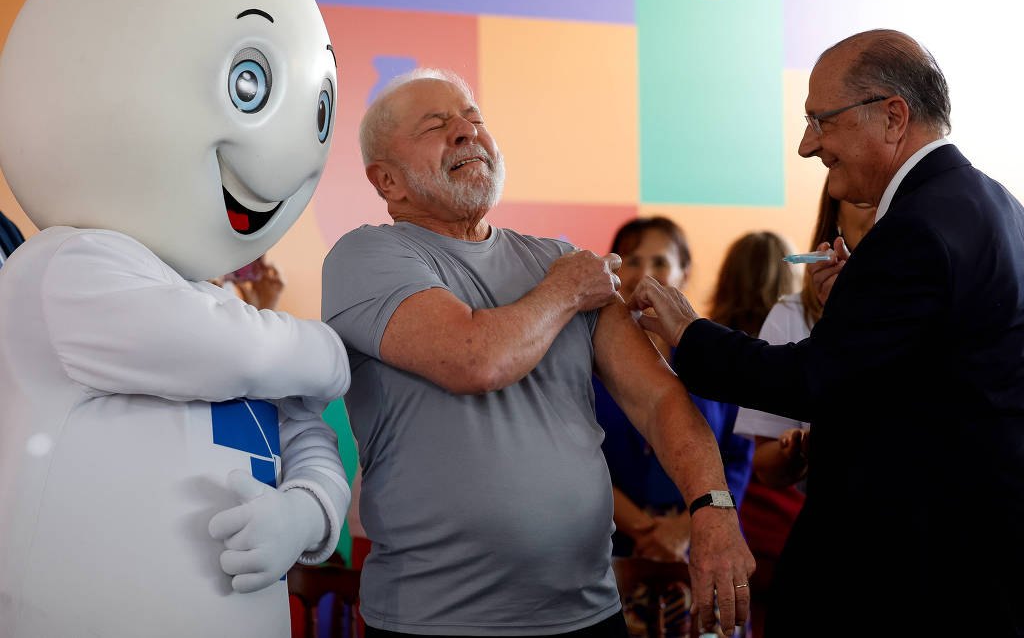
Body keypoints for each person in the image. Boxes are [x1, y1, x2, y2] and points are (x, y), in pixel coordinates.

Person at [322, 68, 755, 637]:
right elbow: (475, 359)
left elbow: (659, 401)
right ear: (387, 181)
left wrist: (713, 508)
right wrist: (565, 291)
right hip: (435, 621)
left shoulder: (561, 261)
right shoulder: (365, 256)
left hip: (589, 612)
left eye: (473, 118)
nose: (466, 132)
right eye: (436, 125)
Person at [627, 29, 1024, 635]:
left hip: (907, 572)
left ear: (893, 116)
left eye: (821, 121)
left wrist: (690, 331)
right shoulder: (996, 204)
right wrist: (857, 309)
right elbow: (924, 372)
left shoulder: (917, 227)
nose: (807, 144)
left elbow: (812, 378)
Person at [0, 0, 350, 636]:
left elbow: (308, 431)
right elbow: (224, 351)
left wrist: (307, 510)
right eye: (249, 83)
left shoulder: (229, 313)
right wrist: (333, 351)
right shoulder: (62, 267)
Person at [598, 220, 781, 637]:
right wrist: (645, 529)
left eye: (661, 262)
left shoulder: (714, 352)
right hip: (616, 550)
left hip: (705, 543)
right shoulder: (588, 358)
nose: (645, 273)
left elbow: (739, 456)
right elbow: (580, 456)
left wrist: (687, 525)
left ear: (684, 271)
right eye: (633, 260)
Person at [731, 181, 875, 637]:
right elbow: (766, 465)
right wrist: (799, 448)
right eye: (864, 201)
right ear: (835, 219)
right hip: (831, 545)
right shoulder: (792, 315)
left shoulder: (943, 303)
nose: (880, 212)